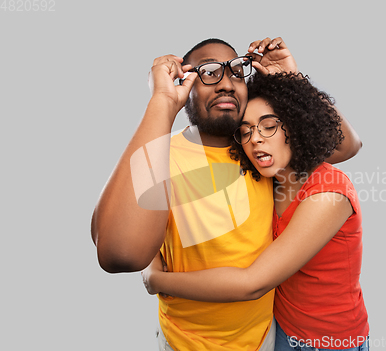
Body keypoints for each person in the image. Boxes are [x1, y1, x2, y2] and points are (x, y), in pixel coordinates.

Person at [92, 37, 362, 351]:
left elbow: (346, 145)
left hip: (267, 337)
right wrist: (162, 102)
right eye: (208, 72)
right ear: (185, 84)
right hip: (186, 342)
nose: (225, 83)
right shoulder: (160, 156)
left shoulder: (254, 152)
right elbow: (118, 254)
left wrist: (292, 80)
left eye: (236, 71)